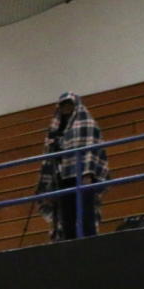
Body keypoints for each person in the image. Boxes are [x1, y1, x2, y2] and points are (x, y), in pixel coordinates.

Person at [37, 92, 108, 241]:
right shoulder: (56, 130)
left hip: (83, 177)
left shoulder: (86, 123)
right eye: (63, 106)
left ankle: (89, 243)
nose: (66, 109)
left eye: (69, 105)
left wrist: (88, 173)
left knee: (86, 215)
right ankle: (69, 244)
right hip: (63, 177)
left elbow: (91, 148)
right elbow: (49, 155)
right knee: (66, 217)